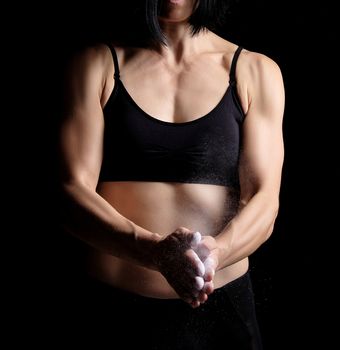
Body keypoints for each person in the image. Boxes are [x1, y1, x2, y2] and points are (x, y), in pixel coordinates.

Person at [58, 0, 285, 348]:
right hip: (114, 310)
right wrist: (152, 252)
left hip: (222, 310)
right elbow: (70, 193)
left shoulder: (253, 70)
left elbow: (264, 200)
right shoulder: (96, 64)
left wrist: (218, 251)